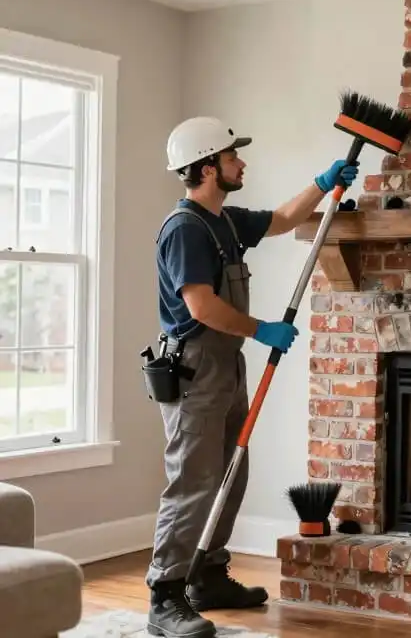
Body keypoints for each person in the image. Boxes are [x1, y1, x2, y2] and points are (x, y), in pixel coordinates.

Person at [146, 116, 359, 638]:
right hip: (195, 366)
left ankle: (208, 576)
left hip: (225, 363)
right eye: (232, 157)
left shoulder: (225, 220)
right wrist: (262, 329)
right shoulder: (185, 230)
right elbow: (201, 305)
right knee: (192, 482)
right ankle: (164, 596)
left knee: (230, 473)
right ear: (206, 167)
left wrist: (323, 181)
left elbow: (285, 219)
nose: (242, 163)